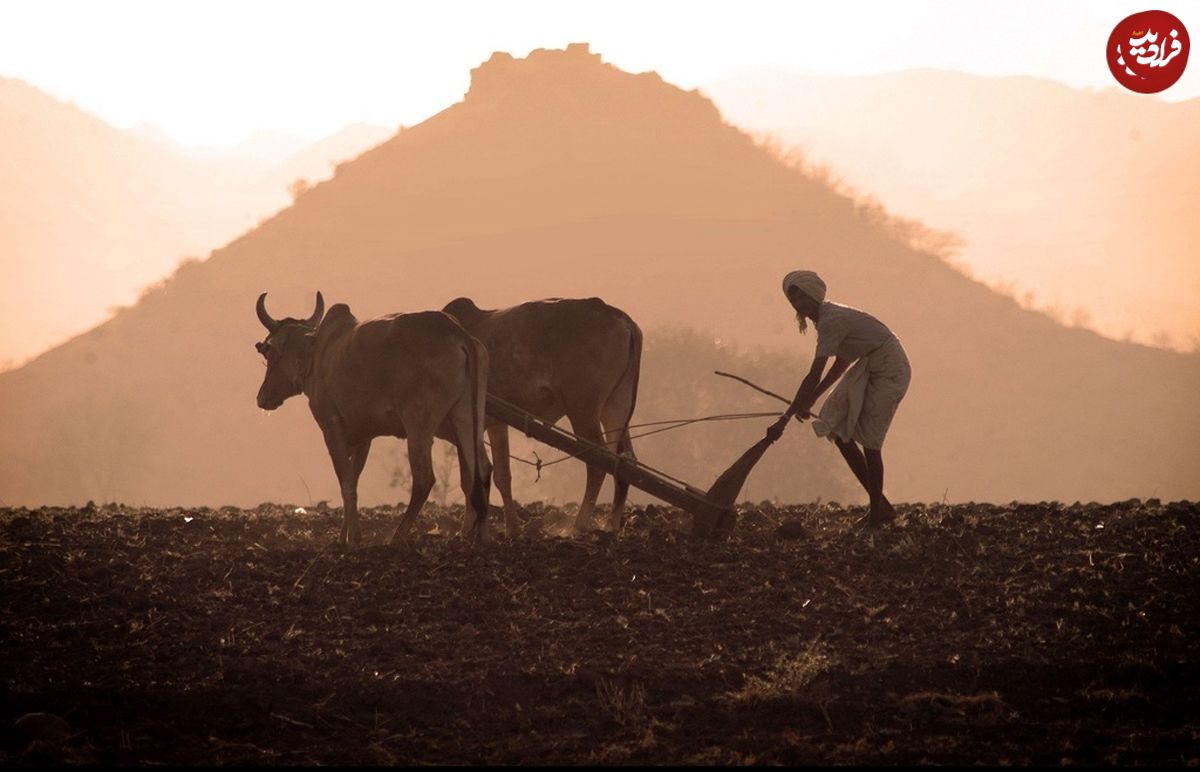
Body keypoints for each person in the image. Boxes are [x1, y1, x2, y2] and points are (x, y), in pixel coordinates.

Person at [767, 270, 911, 527]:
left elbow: (815, 374)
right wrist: (809, 401)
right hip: (869, 365)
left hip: (889, 368)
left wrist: (785, 418)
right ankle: (883, 507)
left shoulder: (831, 321)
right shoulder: (826, 321)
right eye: (794, 301)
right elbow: (841, 363)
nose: (799, 305)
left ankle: (877, 518)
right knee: (838, 431)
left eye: (802, 299)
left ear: (813, 296)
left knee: (870, 441)